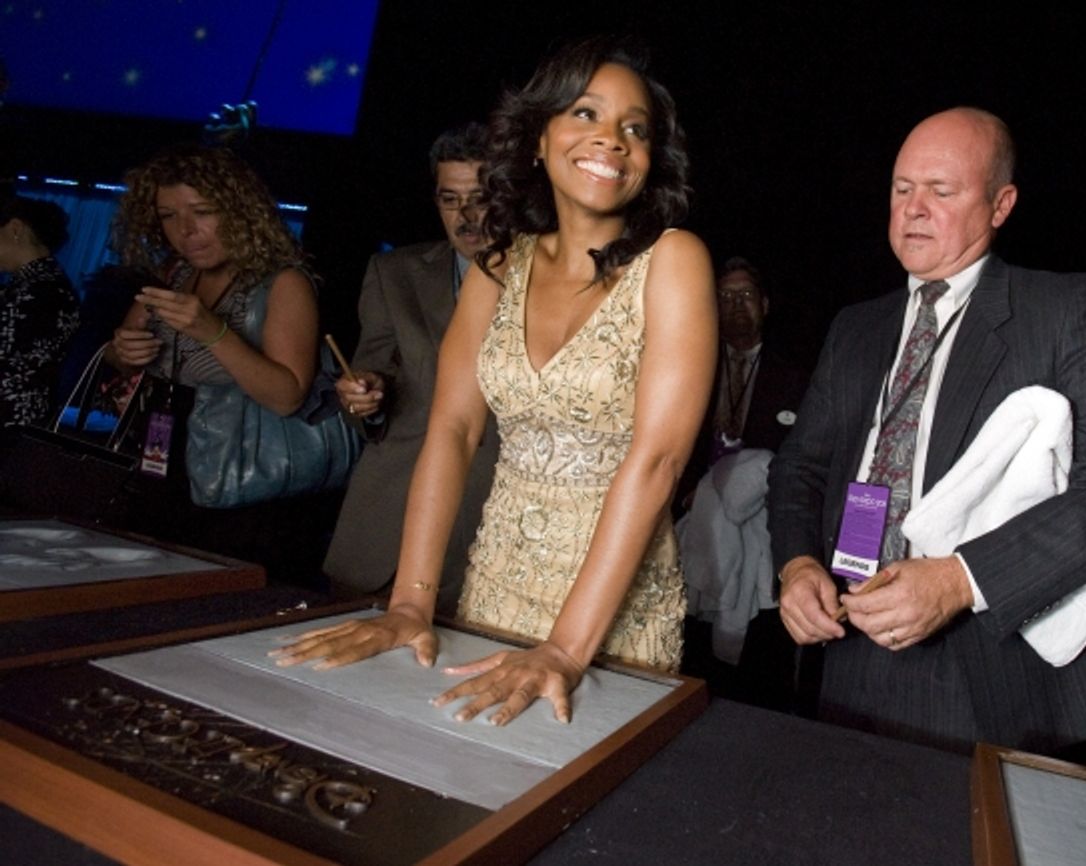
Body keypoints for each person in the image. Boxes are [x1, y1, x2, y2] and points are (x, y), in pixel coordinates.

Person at [276, 35, 717, 726]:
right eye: (586, 114)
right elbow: (452, 431)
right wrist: (412, 604)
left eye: (635, 129)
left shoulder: (674, 261)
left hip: (611, 610)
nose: (613, 140)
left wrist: (567, 651)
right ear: (538, 138)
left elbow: (658, 459)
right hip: (496, 586)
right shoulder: (498, 268)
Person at [767, 107, 1086, 753]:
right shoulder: (856, 327)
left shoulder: (1063, 310)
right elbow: (799, 467)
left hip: (995, 677)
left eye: (941, 191)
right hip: (850, 654)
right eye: (902, 189)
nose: (914, 209)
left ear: (1000, 205)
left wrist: (958, 580)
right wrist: (797, 562)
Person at [105, 143, 339, 585]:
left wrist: (213, 330)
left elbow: (287, 396)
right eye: (168, 216)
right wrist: (122, 351)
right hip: (160, 468)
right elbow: (120, 355)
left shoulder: (282, 282)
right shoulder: (175, 273)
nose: (186, 230)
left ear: (239, 209)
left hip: (243, 486)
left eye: (202, 211)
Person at [322, 123, 500, 617]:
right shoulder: (395, 273)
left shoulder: (552, 279)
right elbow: (375, 369)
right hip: (389, 525)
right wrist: (367, 395)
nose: (466, 217)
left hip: (499, 533)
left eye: (479, 198)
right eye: (450, 200)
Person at [675, 256, 807, 711]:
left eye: (745, 296)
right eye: (725, 297)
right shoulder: (692, 362)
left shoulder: (794, 373)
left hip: (760, 536)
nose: (735, 307)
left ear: (765, 304)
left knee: (756, 659)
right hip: (695, 527)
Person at [0, 196, 79, 427]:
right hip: (26, 422)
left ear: (15, 228)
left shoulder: (37, 292)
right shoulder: (48, 286)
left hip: (10, 424)